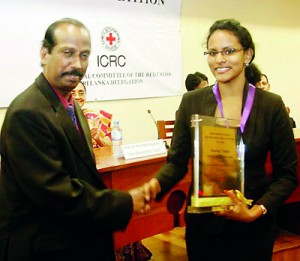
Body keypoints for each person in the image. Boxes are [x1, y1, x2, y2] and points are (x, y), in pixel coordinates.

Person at [143, 19, 298, 261]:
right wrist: (154, 185)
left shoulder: (271, 105)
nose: (219, 59)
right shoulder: (192, 102)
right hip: (204, 228)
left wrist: (255, 212)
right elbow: (176, 162)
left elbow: (287, 175)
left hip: (253, 228)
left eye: (229, 51)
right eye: (213, 52)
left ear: (247, 54)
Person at [0, 18, 149, 261]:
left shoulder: (71, 105)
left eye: (85, 55)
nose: (77, 64)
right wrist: (124, 202)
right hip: (44, 249)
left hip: (75, 240)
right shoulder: (27, 112)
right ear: (45, 54)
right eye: (67, 53)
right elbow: (55, 193)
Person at [72, 82, 152, 260]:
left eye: (81, 92)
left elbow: (112, 146)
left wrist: (97, 136)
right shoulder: (61, 117)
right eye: (73, 92)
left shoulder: (96, 117)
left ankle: (127, 249)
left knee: (122, 192)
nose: (78, 96)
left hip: (104, 170)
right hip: (80, 177)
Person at [72, 82, 112, 147]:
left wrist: (98, 139)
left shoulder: (96, 117)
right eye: (72, 93)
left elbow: (110, 145)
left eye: (81, 93)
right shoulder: (59, 118)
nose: (77, 97)